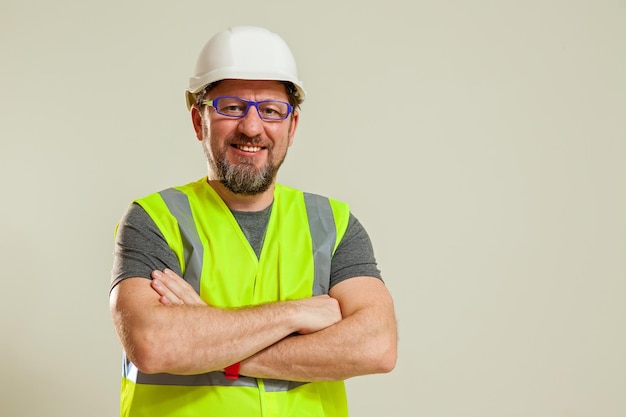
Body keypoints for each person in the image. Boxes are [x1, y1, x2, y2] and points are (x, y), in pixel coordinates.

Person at [109, 25, 397, 417]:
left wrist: (214, 346)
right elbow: (153, 344)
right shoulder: (155, 220)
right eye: (231, 107)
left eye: (271, 111)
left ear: (292, 127)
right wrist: (295, 313)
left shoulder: (334, 224)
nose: (251, 126)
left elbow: (376, 346)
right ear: (199, 122)